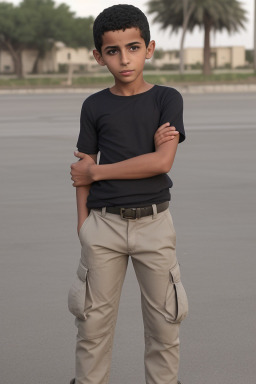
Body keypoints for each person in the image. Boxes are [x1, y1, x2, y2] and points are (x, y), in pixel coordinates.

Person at [68, 4, 188, 384]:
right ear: (98, 56)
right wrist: (83, 225)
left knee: (165, 327)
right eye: (113, 51)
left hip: (155, 225)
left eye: (134, 48)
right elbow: (80, 171)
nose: (125, 59)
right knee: (92, 327)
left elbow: (162, 163)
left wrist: (98, 170)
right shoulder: (94, 105)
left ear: (149, 48)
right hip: (103, 228)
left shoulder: (166, 99)